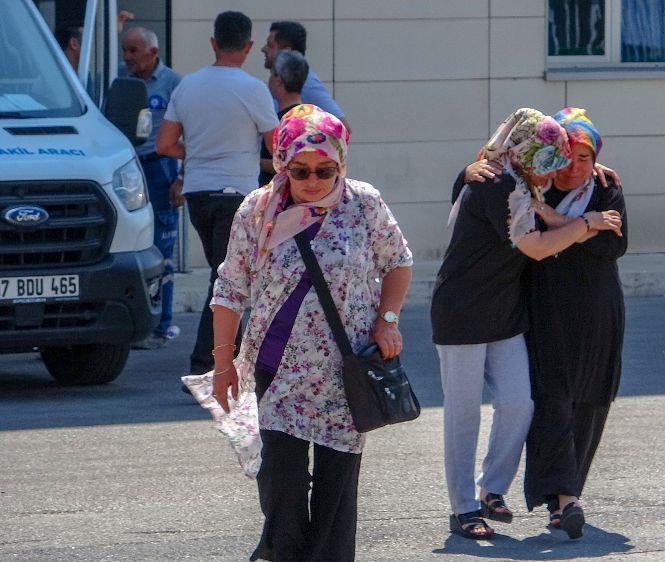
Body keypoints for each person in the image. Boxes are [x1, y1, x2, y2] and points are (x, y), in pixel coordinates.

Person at [211, 103, 412, 562]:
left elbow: (398, 261)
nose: (314, 181)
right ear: (283, 165)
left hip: (345, 372)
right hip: (276, 371)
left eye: (326, 169)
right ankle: (283, 550)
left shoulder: (363, 204)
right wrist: (223, 361)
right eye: (300, 170)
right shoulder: (257, 210)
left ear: (341, 163)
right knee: (281, 484)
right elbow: (230, 286)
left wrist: (388, 319)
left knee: (336, 493)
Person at [431, 108, 622, 540]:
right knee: (463, 415)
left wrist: (591, 168)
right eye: (553, 158)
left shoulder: (521, 180)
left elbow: (559, 141)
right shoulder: (498, 183)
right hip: (463, 311)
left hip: (505, 312)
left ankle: (490, 489)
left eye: (569, 159)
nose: (561, 168)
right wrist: (587, 223)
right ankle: (463, 509)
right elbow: (535, 247)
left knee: (519, 402)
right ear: (525, 154)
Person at [522, 108, 627, 539]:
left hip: (597, 314)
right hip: (545, 312)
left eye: (584, 158)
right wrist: (585, 227)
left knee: (588, 402)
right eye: (566, 156)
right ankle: (564, 497)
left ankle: (566, 498)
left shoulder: (606, 188)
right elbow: (534, 245)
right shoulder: (533, 188)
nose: (575, 168)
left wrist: (558, 224)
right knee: (551, 401)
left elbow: (613, 245)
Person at [156, 11, 279, 377]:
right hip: (236, 194)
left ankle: (230, 361)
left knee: (225, 275)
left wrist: (198, 151)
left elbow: (164, 144)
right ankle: (207, 363)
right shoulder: (253, 88)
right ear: (248, 46)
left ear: (213, 42)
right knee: (226, 280)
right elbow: (277, 147)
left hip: (197, 193)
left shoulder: (187, 86)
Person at [120, 26, 183, 349]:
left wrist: (181, 178)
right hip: (127, 170)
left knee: (161, 250)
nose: (127, 57)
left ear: (153, 53)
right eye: (124, 50)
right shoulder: (120, 81)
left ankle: (161, 323)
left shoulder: (174, 84)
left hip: (160, 169)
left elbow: (192, 133)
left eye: (133, 51)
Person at [261, 21, 349, 128]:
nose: (263, 49)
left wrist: (303, 142)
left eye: (270, 45)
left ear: (287, 51)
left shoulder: (306, 81)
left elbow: (341, 126)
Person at [259, 50, 306, 187]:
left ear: (278, 80)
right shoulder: (307, 116)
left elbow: (292, 164)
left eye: (271, 74)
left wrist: (254, 161)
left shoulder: (287, 120)